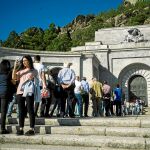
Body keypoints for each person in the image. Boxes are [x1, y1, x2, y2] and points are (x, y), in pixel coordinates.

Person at [12, 55, 38, 136]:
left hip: (29, 91)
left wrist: (26, 71)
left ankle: (31, 129)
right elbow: (14, 78)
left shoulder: (34, 70)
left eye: (25, 60)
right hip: (20, 91)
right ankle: (21, 128)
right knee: (21, 110)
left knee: (30, 109)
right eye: (23, 61)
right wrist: (15, 67)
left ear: (29, 61)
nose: (24, 62)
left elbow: (32, 77)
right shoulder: (20, 70)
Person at [0, 59, 14, 134]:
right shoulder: (9, 73)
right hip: (4, 93)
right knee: (3, 112)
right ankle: (2, 129)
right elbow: (12, 84)